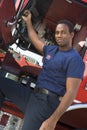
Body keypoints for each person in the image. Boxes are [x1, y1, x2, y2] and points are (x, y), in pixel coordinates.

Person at [0, 10, 85, 130]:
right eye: (57, 33)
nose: (59, 35)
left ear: (71, 35)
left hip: (46, 103)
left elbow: (71, 92)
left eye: (63, 33)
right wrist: (28, 21)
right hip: (33, 97)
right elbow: (35, 40)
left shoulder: (75, 60)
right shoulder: (52, 50)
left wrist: (53, 120)